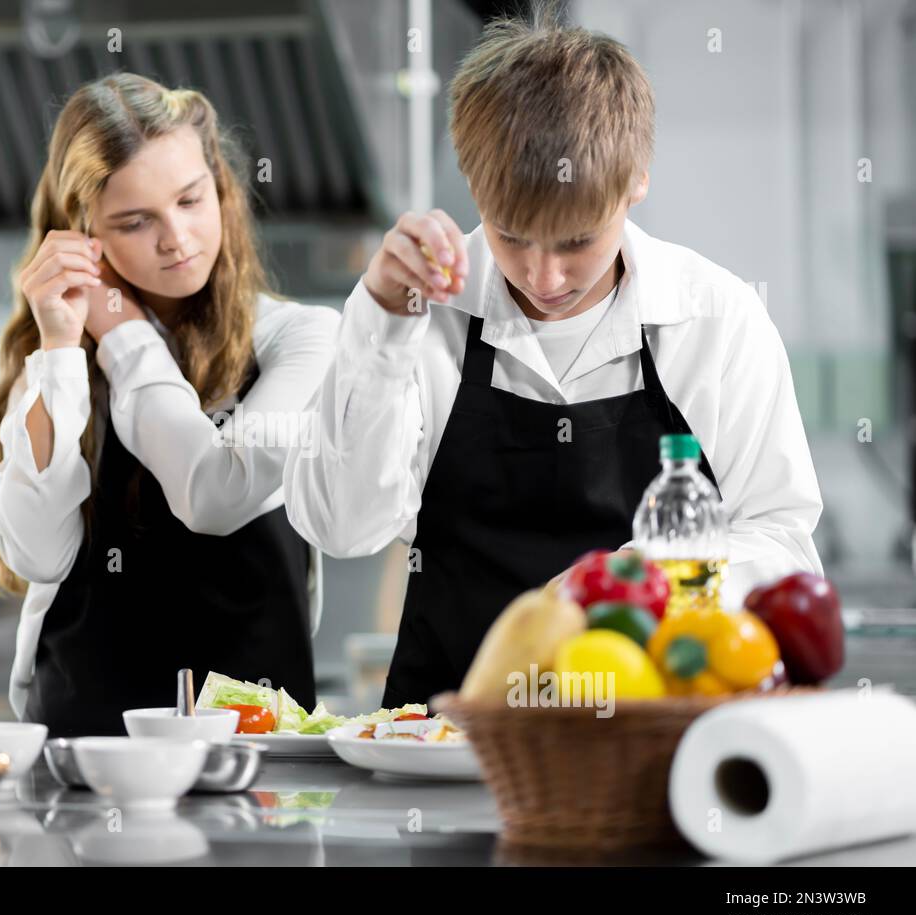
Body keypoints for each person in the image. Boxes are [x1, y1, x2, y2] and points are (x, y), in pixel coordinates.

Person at [283, 8, 824, 708]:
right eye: (511, 237)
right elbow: (341, 529)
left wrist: (643, 577)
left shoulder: (714, 319)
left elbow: (781, 541)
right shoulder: (418, 311)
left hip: (648, 730)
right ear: (474, 186)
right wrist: (383, 328)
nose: (542, 278)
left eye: (575, 243)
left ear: (636, 184)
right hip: (445, 739)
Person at [0, 73, 338, 733]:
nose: (176, 238)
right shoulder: (56, 366)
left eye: (190, 200)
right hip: (87, 757)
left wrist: (121, 330)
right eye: (135, 221)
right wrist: (60, 351)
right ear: (86, 232)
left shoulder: (301, 339)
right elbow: (37, 555)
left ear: (221, 189)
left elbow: (215, 495)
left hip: (263, 756)